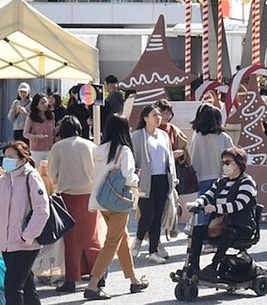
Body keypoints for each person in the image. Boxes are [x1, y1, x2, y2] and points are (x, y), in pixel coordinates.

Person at [85, 114, 150, 300]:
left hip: (102, 201)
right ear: (124, 130)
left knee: (121, 238)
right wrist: (137, 179)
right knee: (113, 241)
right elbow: (129, 177)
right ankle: (92, 284)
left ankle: (134, 279)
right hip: (119, 201)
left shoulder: (99, 150)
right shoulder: (124, 151)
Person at [0, 141, 49, 305]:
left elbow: (42, 210)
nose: (6, 160)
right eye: (5, 157)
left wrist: (27, 236)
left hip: (26, 245)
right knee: (27, 289)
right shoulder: (2, 181)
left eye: (10, 157)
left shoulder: (31, 177)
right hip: (8, 245)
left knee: (12, 288)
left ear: (22, 159)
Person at [185, 146, 258, 281]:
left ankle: (213, 267)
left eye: (228, 162)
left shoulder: (247, 182)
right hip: (221, 225)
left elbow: (238, 205)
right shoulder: (221, 182)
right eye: (223, 162)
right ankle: (193, 266)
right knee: (198, 230)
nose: (224, 166)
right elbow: (207, 196)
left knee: (229, 232)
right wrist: (197, 204)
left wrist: (216, 208)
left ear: (239, 163)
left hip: (242, 227)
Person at [47, 116, 100, 294]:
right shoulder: (91, 145)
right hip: (90, 195)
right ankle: (97, 276)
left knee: (71, 240)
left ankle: (71, 279)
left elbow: (52, 173)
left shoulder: (58, 147)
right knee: (91, 237)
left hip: (68, 196)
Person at [130, 103, 178, 264]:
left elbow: (169, 158)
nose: (158, 118)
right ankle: (137, 240)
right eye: (154, 115)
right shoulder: (137, 136)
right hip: (144, 180)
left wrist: (173, 178)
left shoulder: (164, 135)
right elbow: (133, 159)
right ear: (145, 118)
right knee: (147, 213)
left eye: (159, 115)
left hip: (162, 179)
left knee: (158, 216)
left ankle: (153, 251)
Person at [187, 103, 234, 228]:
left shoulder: (197, 136)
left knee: (202, 206)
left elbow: (191, 155)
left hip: (200, 176)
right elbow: (232, 157)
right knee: (216, 209)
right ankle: (209, 236)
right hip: (219, 176)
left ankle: (199, 234)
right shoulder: (223, 137)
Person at [25, 93, 56, 162]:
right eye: (42, 103)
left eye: (46, 102)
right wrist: (36, 137)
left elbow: (53, 131)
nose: (45, 104)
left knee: (49, 171)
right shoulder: (31, 117)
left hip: (50, 148)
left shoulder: (51, 115)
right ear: (37, 106)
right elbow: (25, 133)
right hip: (37, 150)